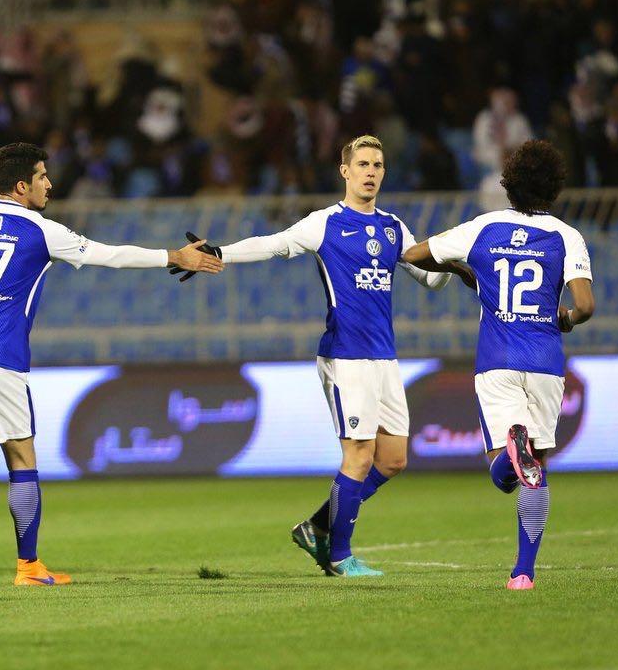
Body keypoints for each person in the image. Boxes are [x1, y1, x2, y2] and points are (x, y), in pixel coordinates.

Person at [0, 142, 223, 589]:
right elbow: (109, 255)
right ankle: (28, 567)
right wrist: (174, 256)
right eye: (42, 176)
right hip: (0, 359)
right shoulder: (42, 230)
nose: (49, 184)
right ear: (22, 186)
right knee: (21, 460)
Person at [178, 135, 474, 577]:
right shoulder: (326, 223)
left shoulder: (395, 228)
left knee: (392, 459)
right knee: (358, 454)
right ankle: (339, 555)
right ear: (345, 171)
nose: (371, 171)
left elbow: (428, 281)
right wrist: (221, 251)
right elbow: (274, 244)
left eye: (378, 164)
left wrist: (449, 262)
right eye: (363, 164)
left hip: (384, 358)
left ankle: (317, 526)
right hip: (345, 355)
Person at [402, 140, 594, 590]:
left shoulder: (483, 227)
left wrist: (469, 272)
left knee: (505, 472)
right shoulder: (568, 236)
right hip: (546, 361)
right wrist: (564, 318)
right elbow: (585, 305)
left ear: (509, 184)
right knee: (537, 472)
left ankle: (513, 450)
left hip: (497, 359)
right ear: (555, 188)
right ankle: (523, 572)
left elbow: (413, 255)